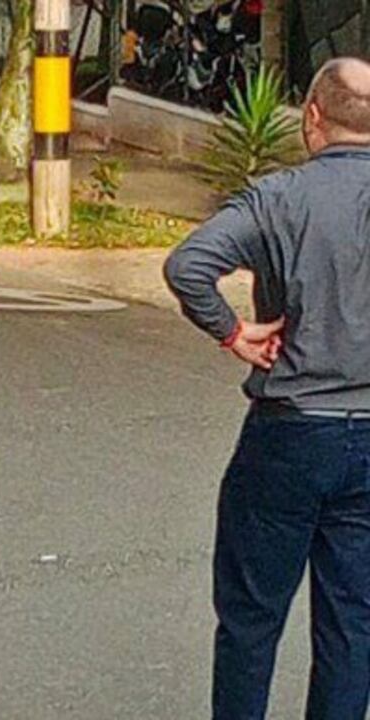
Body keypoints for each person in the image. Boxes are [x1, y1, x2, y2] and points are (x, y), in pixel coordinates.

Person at [164, 57, 370, 720]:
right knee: (352, 620)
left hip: (291, 427)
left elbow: (189, 265)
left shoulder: (277, 197)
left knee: (252, 617)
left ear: (311, 118)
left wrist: (234, 333)